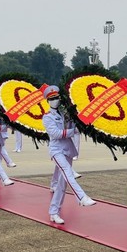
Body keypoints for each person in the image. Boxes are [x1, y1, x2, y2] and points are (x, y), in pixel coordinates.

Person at [42, 85, 95, 224]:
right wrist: (72, 131)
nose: (55, 100)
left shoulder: (65, 113)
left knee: (62, 184)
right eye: (52, 98)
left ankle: (54, 212)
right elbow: (56, 134)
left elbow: (74, 127)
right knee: (67, 172)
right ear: (47, 100)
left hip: (68, 149)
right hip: (57, 150)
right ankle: (81, 197)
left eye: (56, 97)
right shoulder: (47, 117)